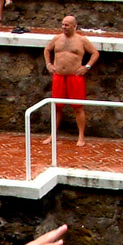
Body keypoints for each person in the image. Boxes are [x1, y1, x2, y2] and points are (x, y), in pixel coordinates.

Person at [44, 15, 99, 147]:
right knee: (57, 106)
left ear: (74, 26)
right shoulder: (57, 39)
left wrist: (87, 67)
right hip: (59, 76)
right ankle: (53, 134)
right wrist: (48, 64)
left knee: (78, 107)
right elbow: (47, 50)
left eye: (67, 25)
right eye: (62, 24)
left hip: (75, 76)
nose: (64, 27)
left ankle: (81, 136)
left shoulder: (81, 40)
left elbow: (95, 53)